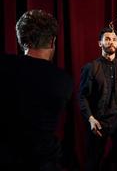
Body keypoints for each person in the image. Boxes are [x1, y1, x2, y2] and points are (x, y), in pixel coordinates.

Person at [0, 9, 73, 170]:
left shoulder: (3, 67)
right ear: (53, 42)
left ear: (22, 41)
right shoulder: (63, 81)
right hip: (44, 163)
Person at [79, 26, 117, 171]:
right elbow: (82, 96)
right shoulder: (91, 67)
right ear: (100, 43)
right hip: (99, 122)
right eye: (107, 39)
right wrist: (90, 118)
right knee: (93, 161)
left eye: (114, 39)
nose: (111, 42)